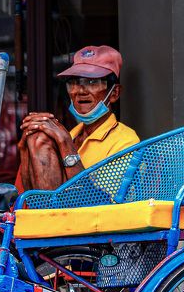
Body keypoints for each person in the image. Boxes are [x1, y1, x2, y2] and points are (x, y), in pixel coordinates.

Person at [16, 45, 139, 191]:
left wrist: (65, 144)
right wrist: (24, 150)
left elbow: (99, 205)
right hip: (52, 212)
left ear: (114, 93)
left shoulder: (125, 141)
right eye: (75, 83)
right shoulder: (72, 134)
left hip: (94, 213)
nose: (80, 91)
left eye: (93, 82)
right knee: (38, 137)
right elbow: (29, 196)